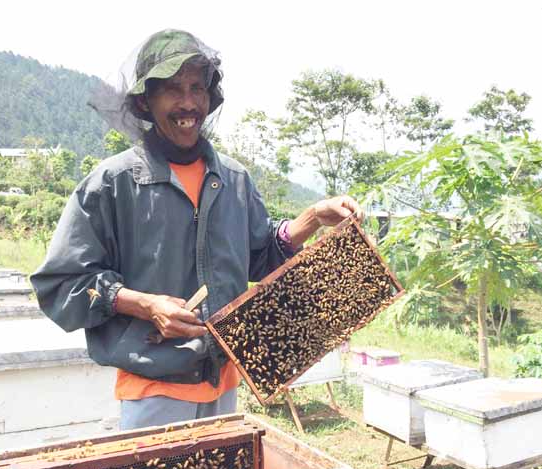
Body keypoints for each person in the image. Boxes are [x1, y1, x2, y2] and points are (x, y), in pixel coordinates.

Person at [30, 29, 362, 430]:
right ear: (145, 101)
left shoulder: (234, 179)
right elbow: (63, 283)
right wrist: (144, 305)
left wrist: (311, 218)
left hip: (224, 383)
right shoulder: (113, 183)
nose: (188, 102)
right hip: (153, 386)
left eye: (197, 88)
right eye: (172, 89)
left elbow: (258, 253)